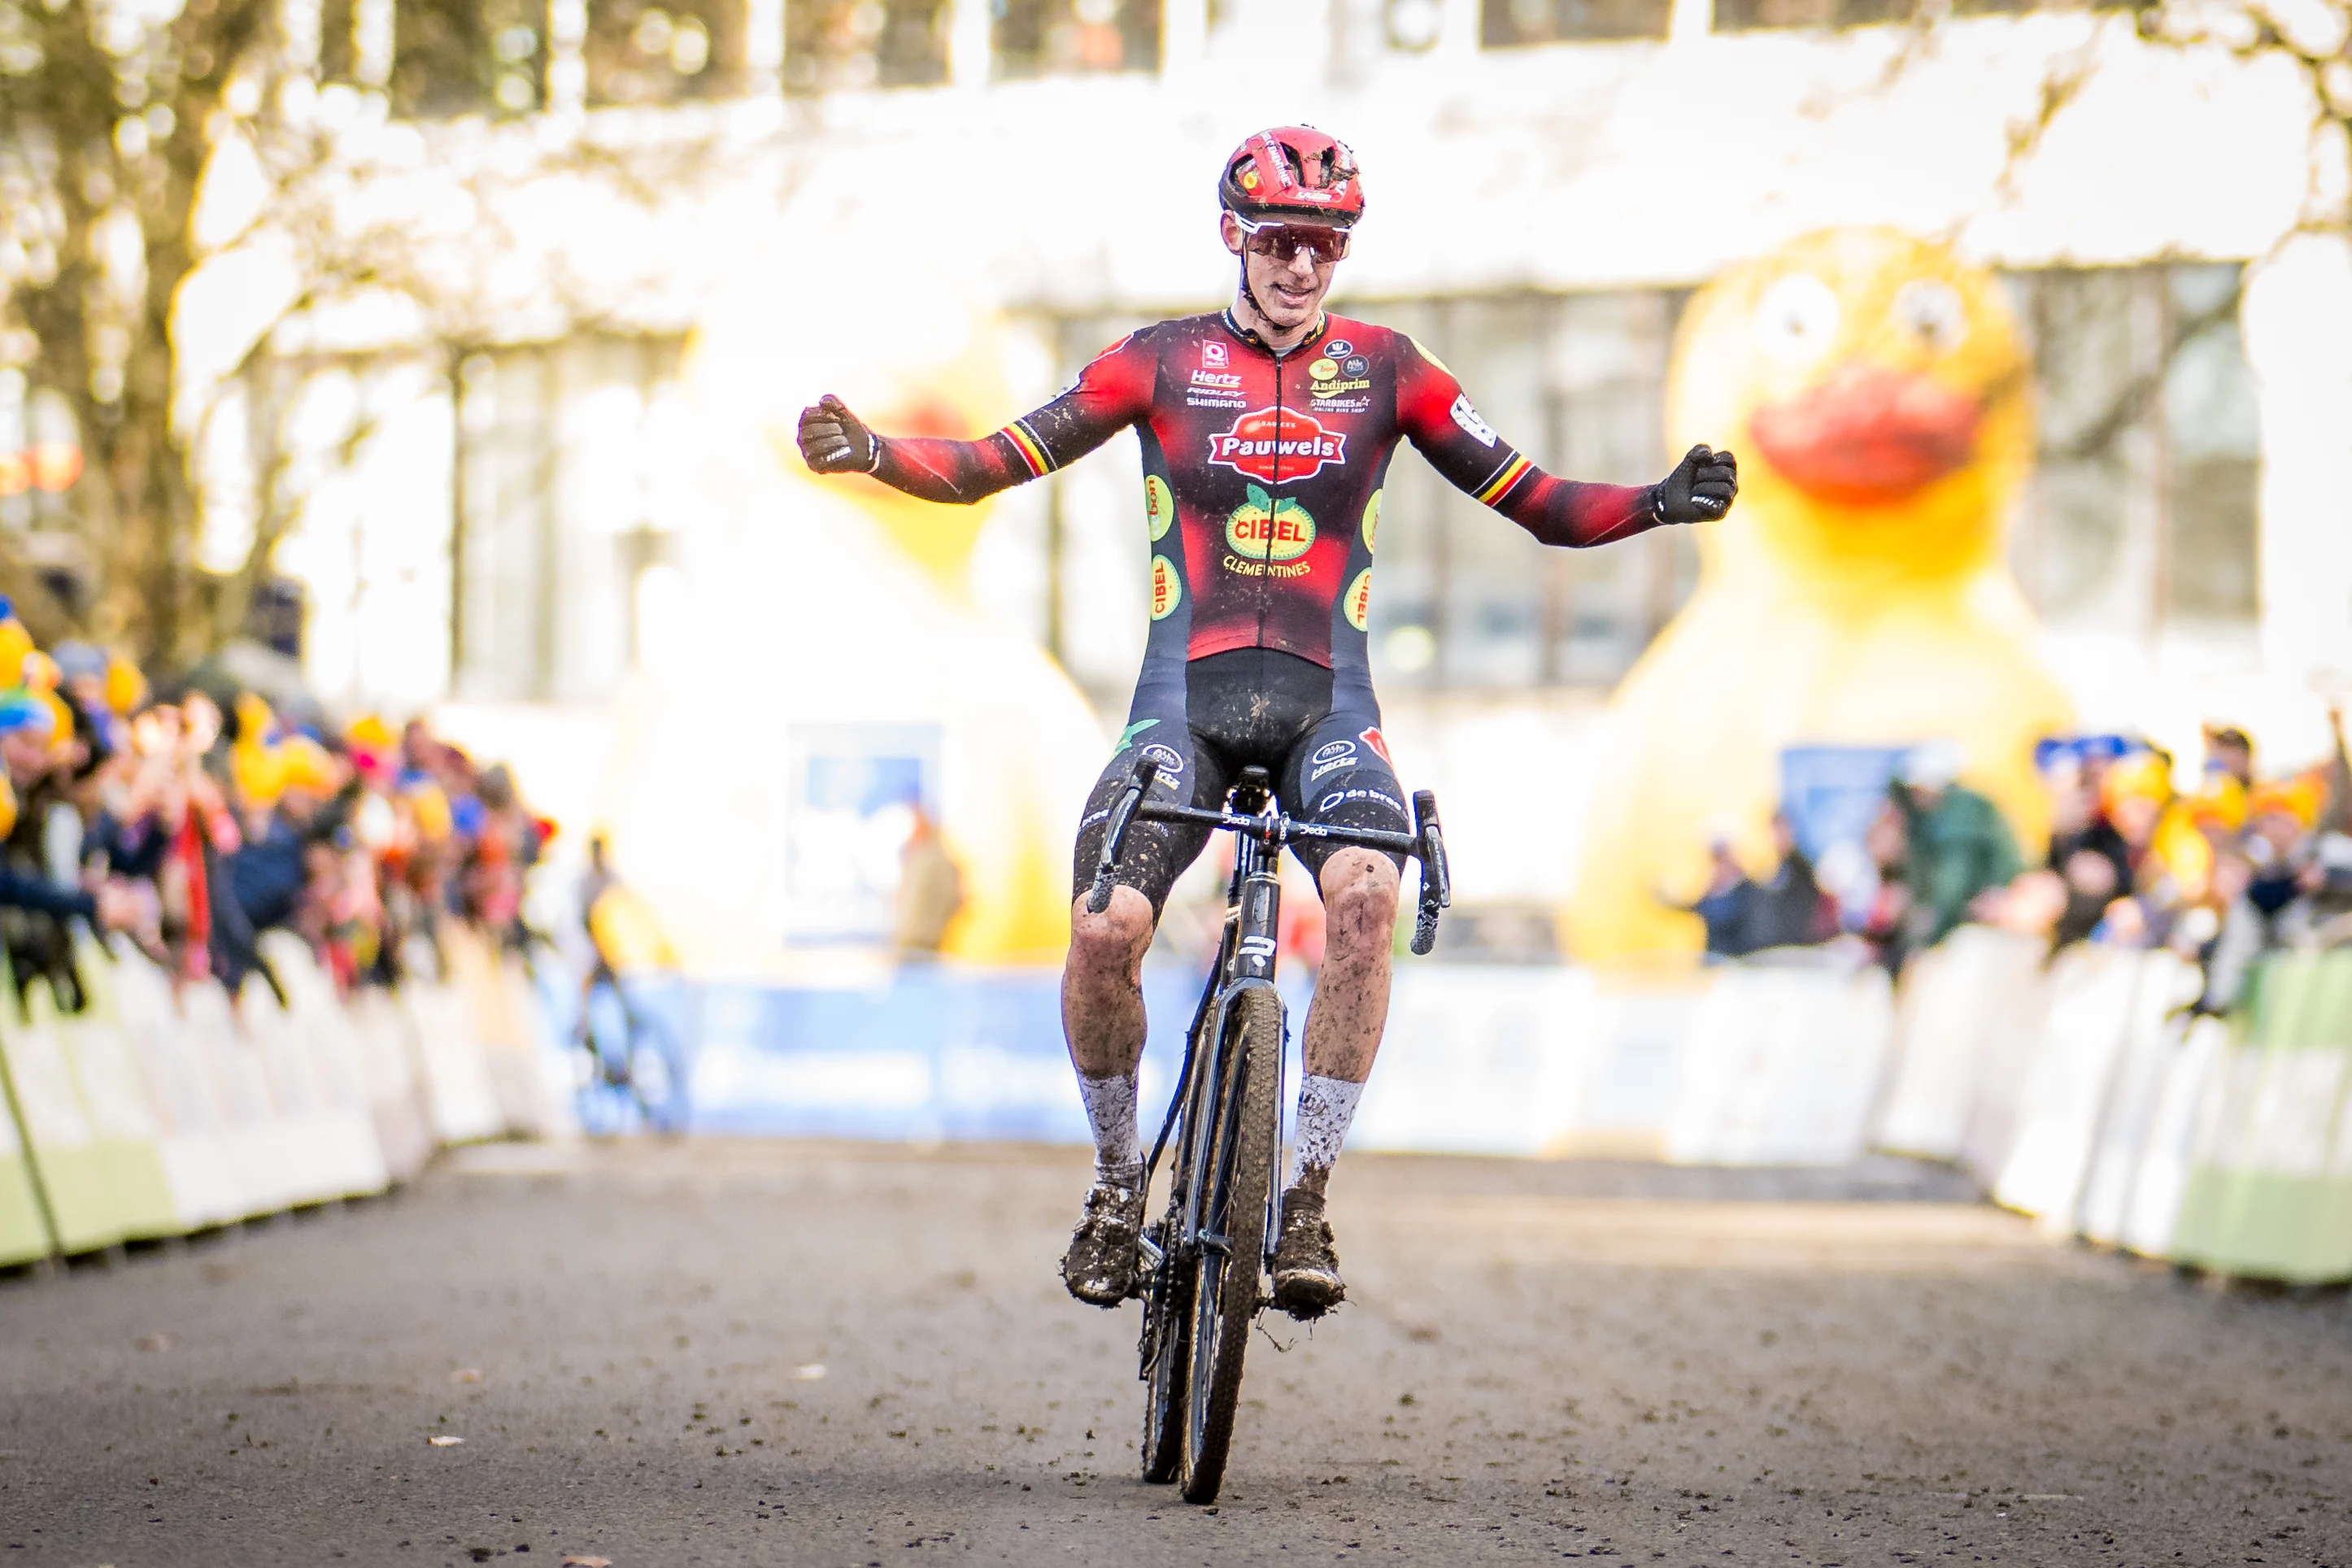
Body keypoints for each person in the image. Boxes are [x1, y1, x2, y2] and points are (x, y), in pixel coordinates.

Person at [797, 126, 1737, 1318]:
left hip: (1327, 709)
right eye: (1284, 241)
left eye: (1327, 247)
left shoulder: (1391, 369)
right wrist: (877, 453)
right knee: (1105, 929)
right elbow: (996, 461)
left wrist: (1657, 502)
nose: (1303, 268)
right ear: (1234, 235)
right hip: (1179, 705)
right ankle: (1111, 1186)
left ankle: (1306, 1202)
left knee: (1363, 902)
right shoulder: (1159, 361)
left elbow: (1540, 503)